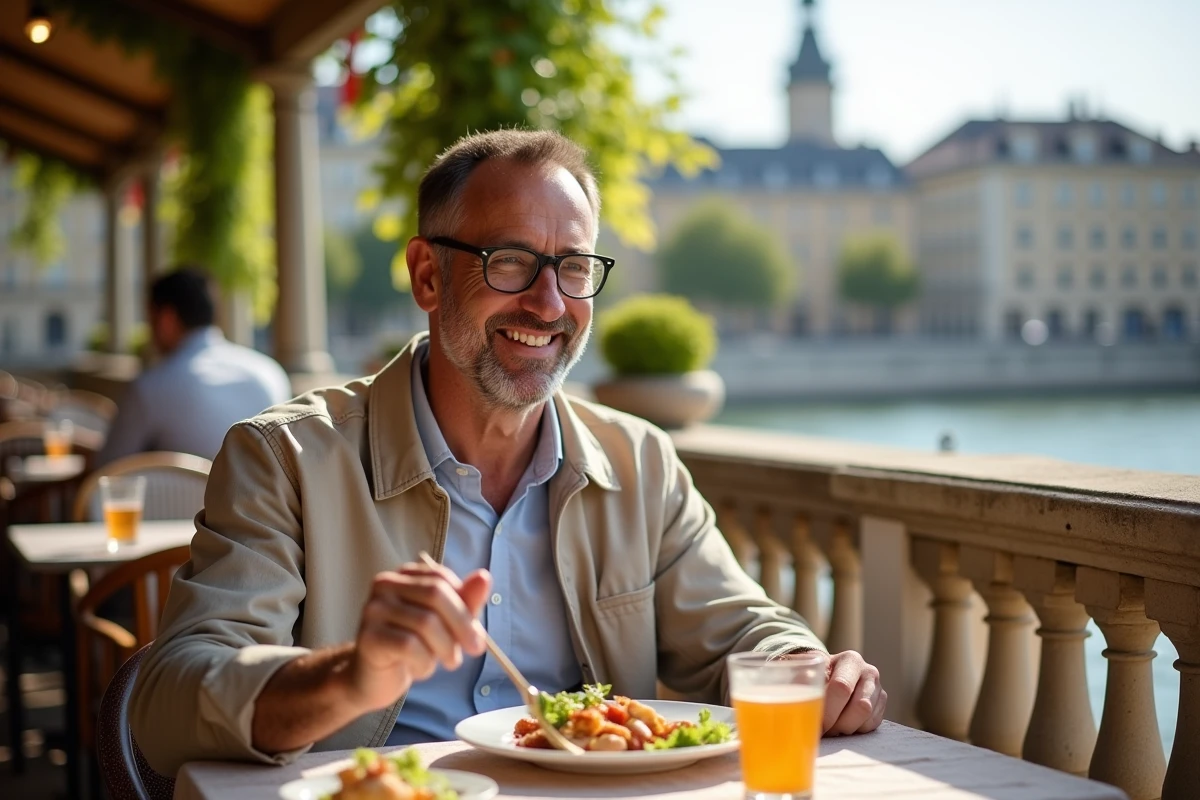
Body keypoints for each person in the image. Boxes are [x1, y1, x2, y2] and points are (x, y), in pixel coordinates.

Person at [130, 130, 885, 775]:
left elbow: (744, 633)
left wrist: (808, 669)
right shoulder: (285, 458)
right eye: (511, 261)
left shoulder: (642, 462)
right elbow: (168, 706)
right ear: (428, 274)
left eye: (576, 267)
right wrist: (350, 674)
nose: (551, 304)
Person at [94, 268, 292, 466]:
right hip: (261, 497)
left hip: (176, 497)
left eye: (150, 320)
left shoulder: (150, 387)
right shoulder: (271, 373)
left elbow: (108, 467)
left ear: (166, 320)